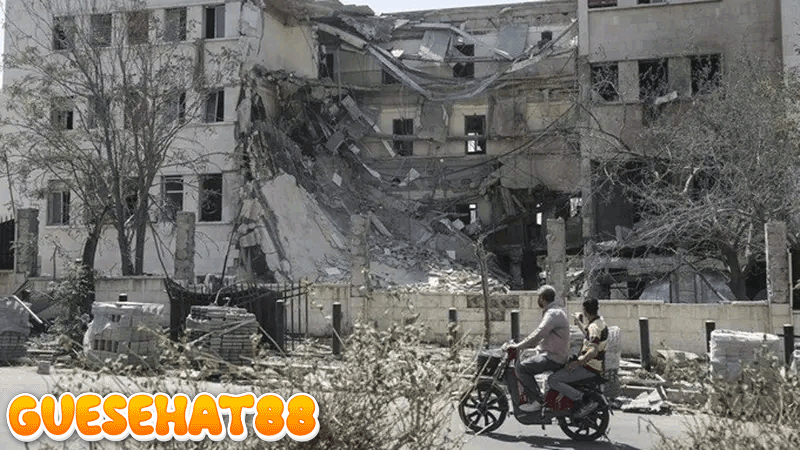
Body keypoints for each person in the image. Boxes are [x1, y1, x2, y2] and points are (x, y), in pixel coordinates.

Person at [504, 285, 570, 412]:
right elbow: (542, 337)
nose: (538, 300)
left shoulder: (552, 314)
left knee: (522, 368)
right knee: (525, 359)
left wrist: (518, 346)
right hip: (551, 353)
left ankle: (537, 401)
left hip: (553, 357)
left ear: (542, 298)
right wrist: (527, 347)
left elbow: (539, 334)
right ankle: (533, 397)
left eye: (538, 297)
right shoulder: (555, 311)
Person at [548, 297, 608, 418]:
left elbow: (593, 350)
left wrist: (578, 363)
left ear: (585, 311)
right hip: (596, 366)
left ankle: (580, 397)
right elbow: (588, 333)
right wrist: (578, 322)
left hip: (589, 367)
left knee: (553, 380)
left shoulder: (594, 327)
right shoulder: (600, 323)